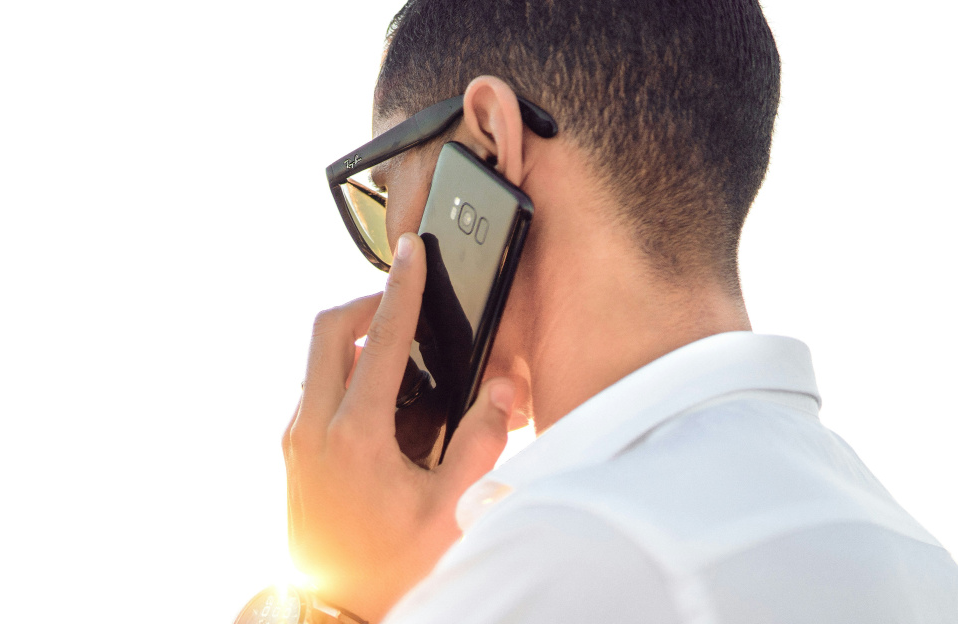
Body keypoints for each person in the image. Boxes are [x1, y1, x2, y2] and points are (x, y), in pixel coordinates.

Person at [280, 1, 958, 623]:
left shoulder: (567, 561)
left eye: (386, 190)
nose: (385, 258)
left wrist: (351, 597)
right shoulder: (917, 556)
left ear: (488, 143)